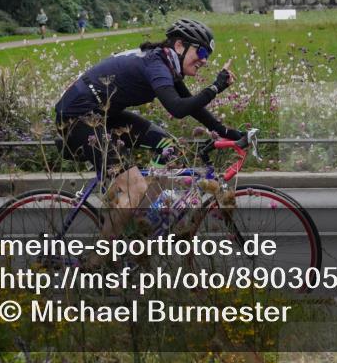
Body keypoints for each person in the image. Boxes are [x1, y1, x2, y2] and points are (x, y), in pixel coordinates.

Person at [53, 18, 241, 237]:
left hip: (103, 115)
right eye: (201, 52)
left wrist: (226, 132)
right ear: (179, 45)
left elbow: (192, 107)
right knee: (136, 187)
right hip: (77, 118)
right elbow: (177, 108)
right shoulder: (157, 65)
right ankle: (100, 255)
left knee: (169, 148)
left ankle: (140, 224)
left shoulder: (166, 63)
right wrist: (216, 87)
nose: (204, 60)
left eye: (207, 55)